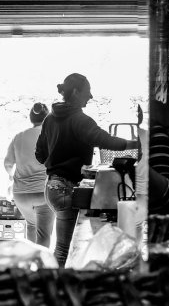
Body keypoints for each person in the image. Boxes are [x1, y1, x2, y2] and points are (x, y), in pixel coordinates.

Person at [35, 73, 138, 267]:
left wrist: (57, 157)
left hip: (51, 187)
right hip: (64, 187)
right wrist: (135, 144)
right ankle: (53, 283)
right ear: (76, 92)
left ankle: (54, 280)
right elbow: (104, 140)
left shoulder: (49, 119)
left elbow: (40, 155)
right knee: (62, 249)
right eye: (87, 91)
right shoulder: (79, 119)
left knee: (62, 247)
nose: (90, 96)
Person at [4, 103, 53, 248]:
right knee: (44, 234)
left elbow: (8, 164)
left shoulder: (18, 137)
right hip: (42, 193)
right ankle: (41, 261)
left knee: (31, 226)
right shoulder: (51, 136)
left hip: (21, 195)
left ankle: (30, 259)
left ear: (31, 118)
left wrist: (13, 176)